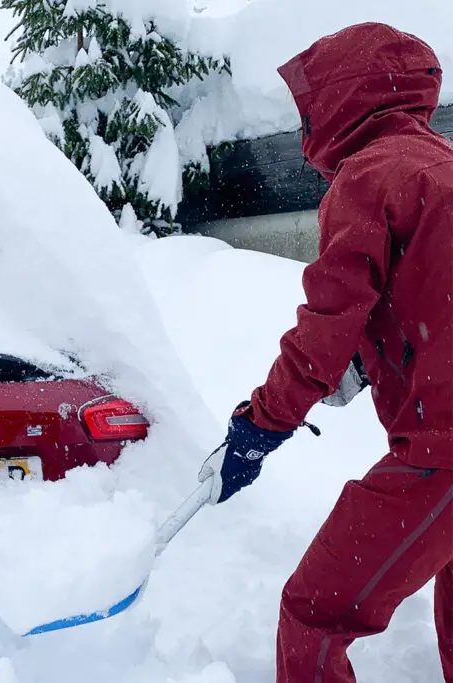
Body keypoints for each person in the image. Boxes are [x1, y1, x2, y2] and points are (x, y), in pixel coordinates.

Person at [196, 22, 453, 683]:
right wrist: (374, 358)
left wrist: (261, 424)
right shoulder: (441, 166)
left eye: (308, 108)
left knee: (315, 612)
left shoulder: (370, 176)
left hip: (444, 451)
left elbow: (326, 327)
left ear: (344, 97)